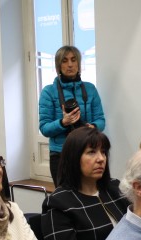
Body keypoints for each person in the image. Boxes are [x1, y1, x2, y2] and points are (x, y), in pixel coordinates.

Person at [39, 45, 105, 186]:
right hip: (61, 155)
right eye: (64, 61)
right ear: (58, 66)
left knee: (90, 194)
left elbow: (100, 119)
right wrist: (64, 122)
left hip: (88, 152)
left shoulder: (90, 89)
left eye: (73, 60)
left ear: (79, 63)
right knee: (66, 199)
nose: (70, 64)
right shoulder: (49, 92)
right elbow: (44, 128)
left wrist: (92, 127)